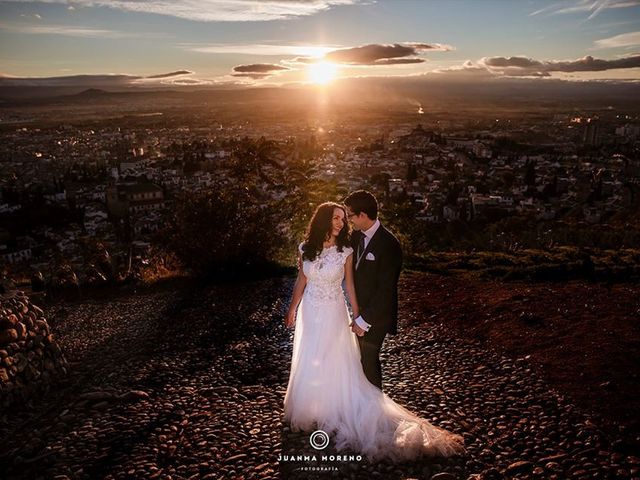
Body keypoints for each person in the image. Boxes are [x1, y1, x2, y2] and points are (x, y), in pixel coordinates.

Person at [283, 201, 465, 462]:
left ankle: (336, 406)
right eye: (336, 218)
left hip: (334, 310)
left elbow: (350, 285)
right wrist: (292, 309)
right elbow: (302, 279)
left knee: (334, 358)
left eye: (344, 219)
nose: (341, 223)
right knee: (310, 354)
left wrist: (358, 315)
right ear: (323, 219)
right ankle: (311, 407)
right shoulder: (305, 248)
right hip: (309, 311)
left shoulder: (346, 249)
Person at [344, 190, 401, 391]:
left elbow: (386, 290)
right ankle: (360, 404)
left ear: (362, 215)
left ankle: (374, 409)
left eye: (350, 215)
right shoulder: (356, 236)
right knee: (356, 358)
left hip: (377, 315)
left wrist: (363, 320)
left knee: (368, 358)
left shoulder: (389, 244)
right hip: (359, 309)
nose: (348, 220)